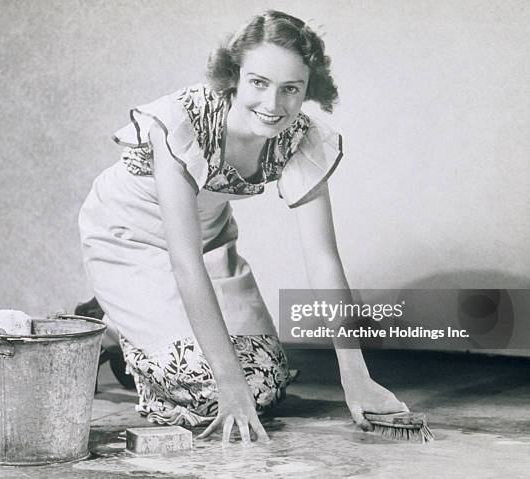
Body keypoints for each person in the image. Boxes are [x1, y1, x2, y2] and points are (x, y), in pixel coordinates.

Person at [78, 10, 407, 444]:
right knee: (210, 391)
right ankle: (106, 329)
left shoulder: (300, 139)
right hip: (128, 236)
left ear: (310, 89)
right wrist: (228, 384)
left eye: (291, 89)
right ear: (234, 75)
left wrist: (355, 374)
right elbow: (183, 259)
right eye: (258, 83)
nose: (273, 105)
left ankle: (129, 332)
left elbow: (323, 257)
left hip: (210, 239)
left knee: (266, 384)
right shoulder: (184, 120)